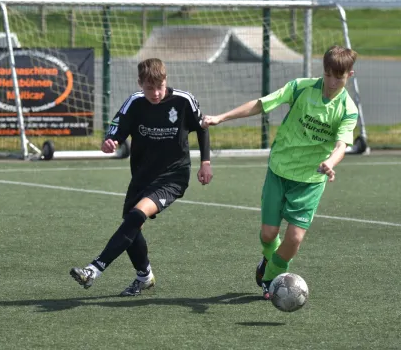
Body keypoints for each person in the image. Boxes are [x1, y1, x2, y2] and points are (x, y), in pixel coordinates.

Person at [201, 45, 359, 299]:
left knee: (294, 238)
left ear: (349, 75)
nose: (331, 82)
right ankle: (269, 261)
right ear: (324, 70)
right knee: (268, 234)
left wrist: (331, 162)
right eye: (328, 74)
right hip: (279, 170)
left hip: (310, 180)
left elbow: (342, 144)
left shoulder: (348, 109)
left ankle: (273, 277)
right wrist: (221, 117)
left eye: (338, 77)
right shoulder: (300, 87)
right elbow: (261, 105)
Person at [70, 58, 213, 296]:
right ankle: (144, 276)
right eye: (149, 88)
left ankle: (94, 270)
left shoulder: (183, 100)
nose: (156, 93)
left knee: (136, 215)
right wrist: (110, 142)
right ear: (140, 83)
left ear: (166, 80)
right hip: (142, 176)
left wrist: (205, 163)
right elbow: (116, 130)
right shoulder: (135, 103)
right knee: (131, 222)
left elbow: (203, 127)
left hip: (173, 176)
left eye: (160, 87)